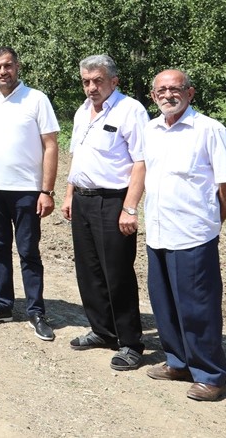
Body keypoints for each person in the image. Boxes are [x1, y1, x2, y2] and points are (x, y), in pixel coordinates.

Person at [143, 69, 226, 402]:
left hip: (193, 235)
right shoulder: (151, 130)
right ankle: (178, 362)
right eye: (161, 90)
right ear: (153, 96)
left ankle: (211, 376)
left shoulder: (209, 130)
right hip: (158, 232)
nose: (168, 95)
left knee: (198, 308)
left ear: (190, 92)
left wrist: (212, 220)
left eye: (175, 88)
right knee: (164, 304)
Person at [60, 54, 148, 371]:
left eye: (97, 81)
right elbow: (78, 157)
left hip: (113, 202)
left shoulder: (130, 110)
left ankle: (131, 343)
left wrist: (130, 207)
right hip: (83, 199)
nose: (91, 87)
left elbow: (141, 162)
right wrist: (69, 194)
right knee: (89, 271)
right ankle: (102, 331)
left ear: (114, 81)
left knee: (117, 273)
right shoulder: (82, 111)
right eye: (86, 81)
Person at [0, 46, 59, 342]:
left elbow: (51, 145)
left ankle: (36, 311)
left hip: (26, 191)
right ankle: (3, 305)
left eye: (7, 66)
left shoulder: (36, 99)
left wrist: (46, 190)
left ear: (17, 66)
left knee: (28, 252)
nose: (2, 72)